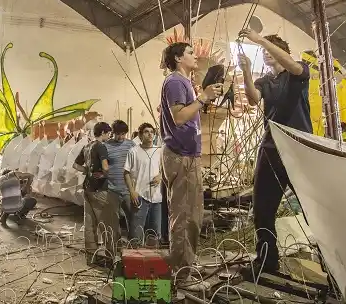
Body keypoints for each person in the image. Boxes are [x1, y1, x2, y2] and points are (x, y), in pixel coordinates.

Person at [238, 29, 312, 277]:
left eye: (269, 50)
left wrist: (261, 40)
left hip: (299, 149)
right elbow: (252, 98)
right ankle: (267, 260)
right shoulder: (265, 81)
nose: (265, 54)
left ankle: (333, 264)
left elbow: (294, 67)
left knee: (313, 209)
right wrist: (247, 71)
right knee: (263, 208)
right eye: (263, 51)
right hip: (271, 148)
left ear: (280, 52)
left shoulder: (297, 71)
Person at [159, 42, 223, 290]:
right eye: (189, 53)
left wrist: (203, 99)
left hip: (188, 154)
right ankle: (182, 276)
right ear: (177, 58)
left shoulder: (184, 82)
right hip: (181, 155)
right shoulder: (175, 82)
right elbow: (178, 117)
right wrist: (203, 97)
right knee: (185, 218)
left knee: (191, 216)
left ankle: (185, 264)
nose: (195, 56)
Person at [74, 122, 119, 263]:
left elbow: (75, 165)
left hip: (87, 188)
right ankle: (110, 257)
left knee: (90, 224)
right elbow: (105, 167)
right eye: (108, 133)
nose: (109, 136)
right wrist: (106, 175)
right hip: (100, 189)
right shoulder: (101, 147)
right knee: (107, 223)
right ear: (103, 132)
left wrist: (88, 172)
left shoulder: (86, 147)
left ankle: (92, 257)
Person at [124, 123, 164, 244]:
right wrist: (132, 191)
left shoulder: (159, 151)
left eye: (152, 132)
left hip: (157, 198)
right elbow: (126, 173)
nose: (150, 134)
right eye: (146, 132)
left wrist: (160, 176)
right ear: (141, 135)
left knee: (154, 233)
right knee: (136, 232)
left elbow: (165, 170)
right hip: (139, 196)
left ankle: (151, 260)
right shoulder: (134, 151)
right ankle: (134, 258)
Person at [105, 120, 136, 239]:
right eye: (118, 134)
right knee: (113, 221)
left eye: (123, 134)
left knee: (132, 218)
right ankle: (115, 247)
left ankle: (133, 244)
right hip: (112, 189)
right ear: (113, 133)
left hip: (128, 189)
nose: (121, 137)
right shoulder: (106, 146)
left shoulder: (131, 145)